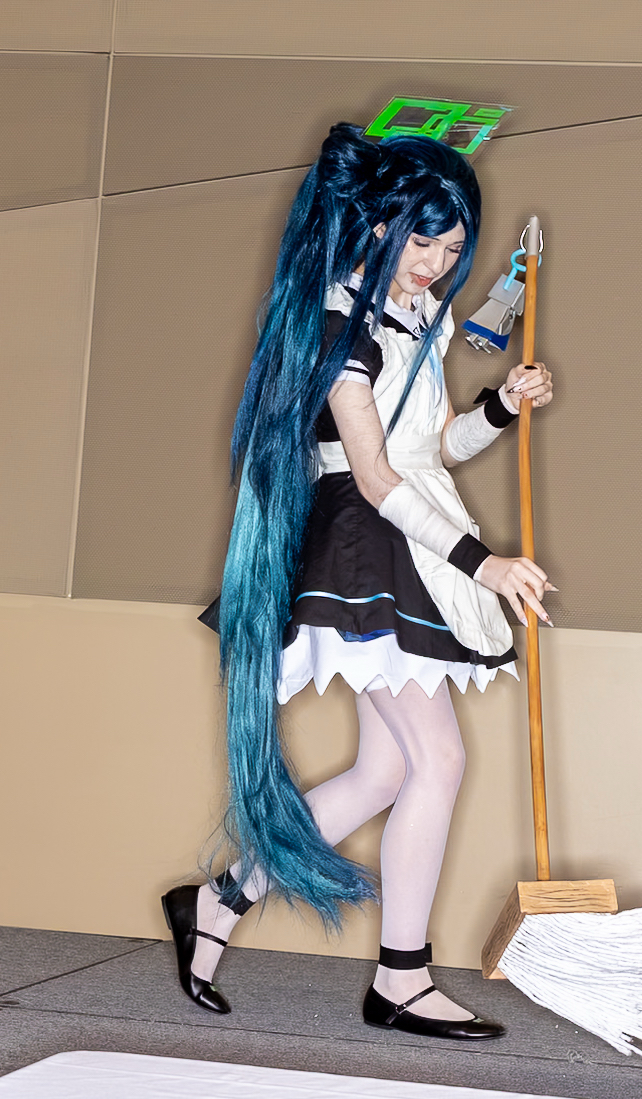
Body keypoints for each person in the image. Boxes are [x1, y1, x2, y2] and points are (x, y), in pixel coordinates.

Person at [162, 122, 554, 1040]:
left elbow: (429, 450)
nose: (435, 263)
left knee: (386, 770)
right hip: (365, 543)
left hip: (408, 531)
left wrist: (500, 406)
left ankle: (217, 900)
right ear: (378, 226)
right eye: (422, 241)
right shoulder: (340, 322)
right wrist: (484, 563)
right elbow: (375, 478)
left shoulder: (420, 317)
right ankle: (400, 979)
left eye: (451, 248)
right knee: (438, 761)